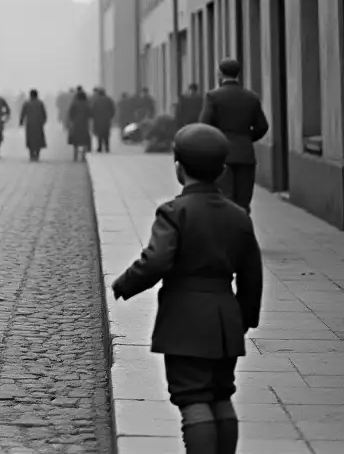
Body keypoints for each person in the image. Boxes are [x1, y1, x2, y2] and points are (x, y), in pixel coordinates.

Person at [111, 124, 263, 454]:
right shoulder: (239, 217)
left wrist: (124, 284)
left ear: (178, 167)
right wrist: (245, 317)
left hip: (184, 321)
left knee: (193, 398)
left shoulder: (174, 212)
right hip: (225, 319)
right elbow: (252, 274)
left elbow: (156, 262)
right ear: (223, 170)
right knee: (221, 395)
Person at [200, 58, 269, 215]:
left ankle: (228, 233)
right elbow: (262, 126)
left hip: (222, 155)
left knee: (225, 198)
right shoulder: (251, 97)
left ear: (220, 73)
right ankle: (242, 231)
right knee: (243, 200)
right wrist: (245, 138)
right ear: (239, 74)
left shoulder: (213, 97)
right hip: (245, 154)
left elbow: (204, 125)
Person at [19, 89, 47, 161]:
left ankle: (31, 154)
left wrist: (21, 122)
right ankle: (37, 154)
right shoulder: (40, 103)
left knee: (30, 139)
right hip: (38, 124)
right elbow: (44, 114)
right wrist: (43, 121)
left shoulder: (27, 103)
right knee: (38, 139)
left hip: (29, 124)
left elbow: (23, 113)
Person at [67, 87, 92, 161]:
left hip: (76, 124)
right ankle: (83, 156)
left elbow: (70, 113)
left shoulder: (74, 104)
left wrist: (72, 121)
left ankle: (75, 156)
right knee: (84, 141)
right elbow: (90, 114)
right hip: (84, 124)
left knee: (76, 141)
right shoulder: (87, 104)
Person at [91, 87, 116, 153]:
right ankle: (107, 147)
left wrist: (94, 117)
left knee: (99, 134)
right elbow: (113, 109)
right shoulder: (109, 100)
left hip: (98, 120)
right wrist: (110, 117)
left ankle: (100, 147)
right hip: (106, 119)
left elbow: (93, 110)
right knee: (106, 134)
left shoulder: (96, 100)